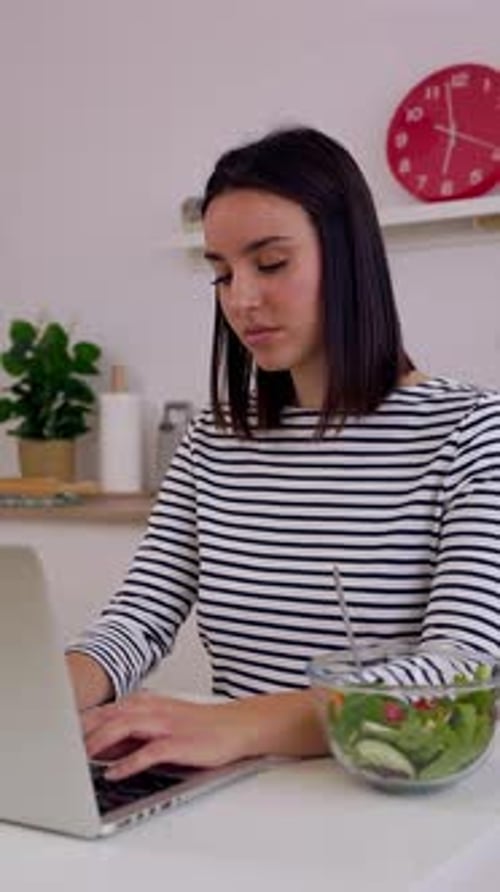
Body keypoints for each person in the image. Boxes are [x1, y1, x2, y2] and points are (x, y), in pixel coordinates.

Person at [67, 126, 500, 782]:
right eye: (221, 273)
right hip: (227, 788)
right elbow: (138, 618)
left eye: (270, 264)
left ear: (349, 256)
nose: (241, 299)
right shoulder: (214, 439)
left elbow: (460, 668)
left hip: (380, 793)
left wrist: (235, 725)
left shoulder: (470, 430)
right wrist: (46, 694)